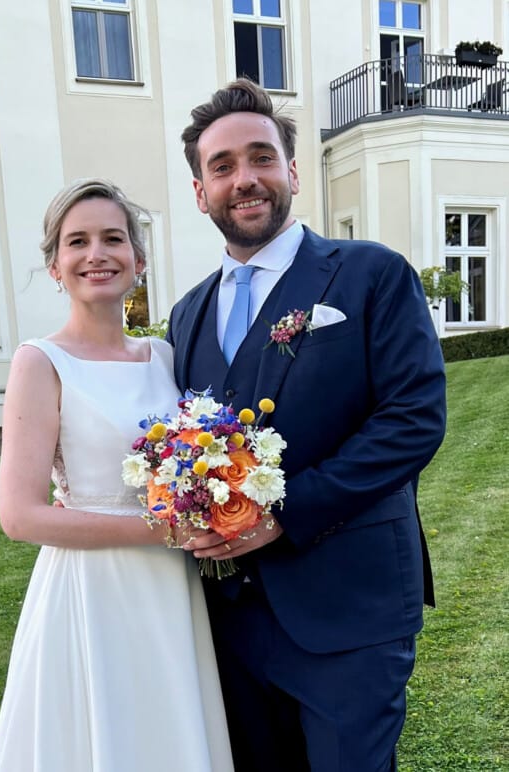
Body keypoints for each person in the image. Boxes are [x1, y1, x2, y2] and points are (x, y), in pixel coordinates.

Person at [166, 78, 447, 772]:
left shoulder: (371, 275)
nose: (245, 179)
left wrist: (286, 514)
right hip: (228, 619)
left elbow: (413, 420)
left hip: (349, 609)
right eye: (222, 166)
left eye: (261, 157)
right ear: (201, 192)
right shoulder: (187, 314)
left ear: (291, 171)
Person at [0, 179, 233, 772]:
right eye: (77, 242)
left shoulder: (164, 357)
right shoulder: (40, 362)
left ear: (139, 260)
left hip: (171, 589)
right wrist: (163, 530)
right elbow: (19, 516)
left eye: (112, 239)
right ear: (55, 265)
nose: (96, 254)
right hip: (92, 589)